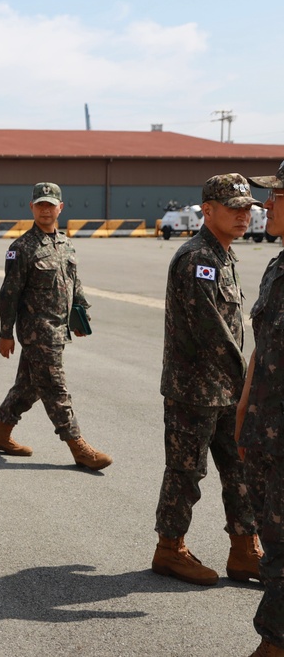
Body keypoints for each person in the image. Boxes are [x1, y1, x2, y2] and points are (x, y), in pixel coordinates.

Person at [151, 173, 262, 587]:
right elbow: (211, 331)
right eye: (233, 208)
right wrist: (251, 381)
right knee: (185, 472)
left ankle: (244, 549)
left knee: (240, 471)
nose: (242, 215)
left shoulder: (223, 255)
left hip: (226, 391)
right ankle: (169, 550)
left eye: (247, 208)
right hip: (194, 392)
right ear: (209, 211)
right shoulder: (198, 258)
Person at [0, 182, 112, 470]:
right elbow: (9, 294)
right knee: (55, 387)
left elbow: (73, 283)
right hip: (37, 331)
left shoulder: (66, 244)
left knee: (29, 386)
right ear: (32, 208)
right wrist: (6, 334)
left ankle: (0, 433)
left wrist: (81, 315)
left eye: (50, 204)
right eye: (40, 204)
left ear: (60, 208)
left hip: (59, 329)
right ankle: (78, 446)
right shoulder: (22, 248)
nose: (45, 209)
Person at [237, 162, 284, 656]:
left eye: (276, 196)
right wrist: (245, 412)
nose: (266, 204)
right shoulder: (277, 265)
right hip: (267, 432)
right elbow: (263, 347)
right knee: (273, 545)